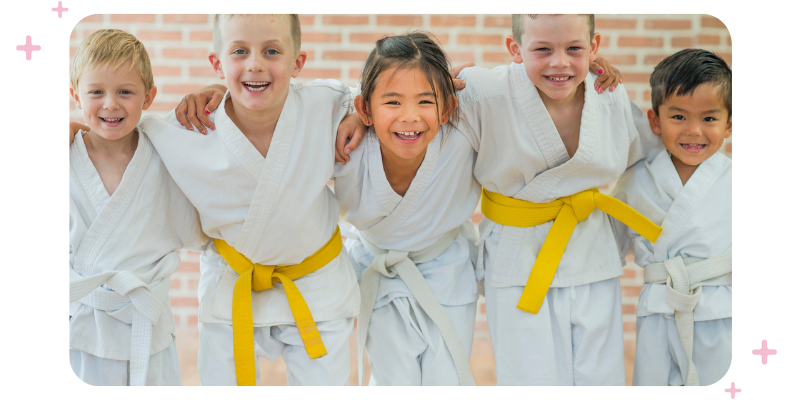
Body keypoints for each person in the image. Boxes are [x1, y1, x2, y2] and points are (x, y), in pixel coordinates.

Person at [137, 14, 361, 385]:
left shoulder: (326, 105)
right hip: (232, 281)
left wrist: (360, 116)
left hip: (315, 282)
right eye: (239, 51)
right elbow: (126, 136)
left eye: (271, 51)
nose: (255, 63)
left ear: (297, 62)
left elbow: (381, 98)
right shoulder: (193, 127)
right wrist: (80, 133)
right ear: (217, 62)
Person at [453, 14, 664, 385]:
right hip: (519, 258)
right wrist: (441, 82)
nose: (560, 62)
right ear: (515, 50)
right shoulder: (484, 92)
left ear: (594, 48)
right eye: (543, 49)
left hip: (592, 252)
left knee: (601, 376)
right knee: (528, 377)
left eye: (574, 48)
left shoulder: (608, 93)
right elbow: (418, 111)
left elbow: (647, 154)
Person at [332, 32, 481, 386]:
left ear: (447, 108)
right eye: (393, 102)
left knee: (448, 380)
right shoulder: (345, 145)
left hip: (447, 269)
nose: (410, 117)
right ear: (365, 109)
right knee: (390, 380)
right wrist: (218, 92)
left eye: (425, 101)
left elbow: (514, 88)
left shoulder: (461, 133)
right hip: (378, 271)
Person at [69, 29, 208, 386]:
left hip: (146, 321)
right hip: (79, 326)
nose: (111, 104)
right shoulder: (63, 154)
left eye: (125, 92)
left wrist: (218, 93)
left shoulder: (165, 148)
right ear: (75, 95)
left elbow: (222, 144)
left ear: (148, 98)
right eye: (96, 92)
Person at [611, 49, 732, 386]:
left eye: (709, 119)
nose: (694, 131)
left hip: (722, 314)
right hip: (658, 312)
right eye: (678, 117)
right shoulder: (635, 181)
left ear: (729, 125)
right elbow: (607, 247)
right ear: (654, 121)